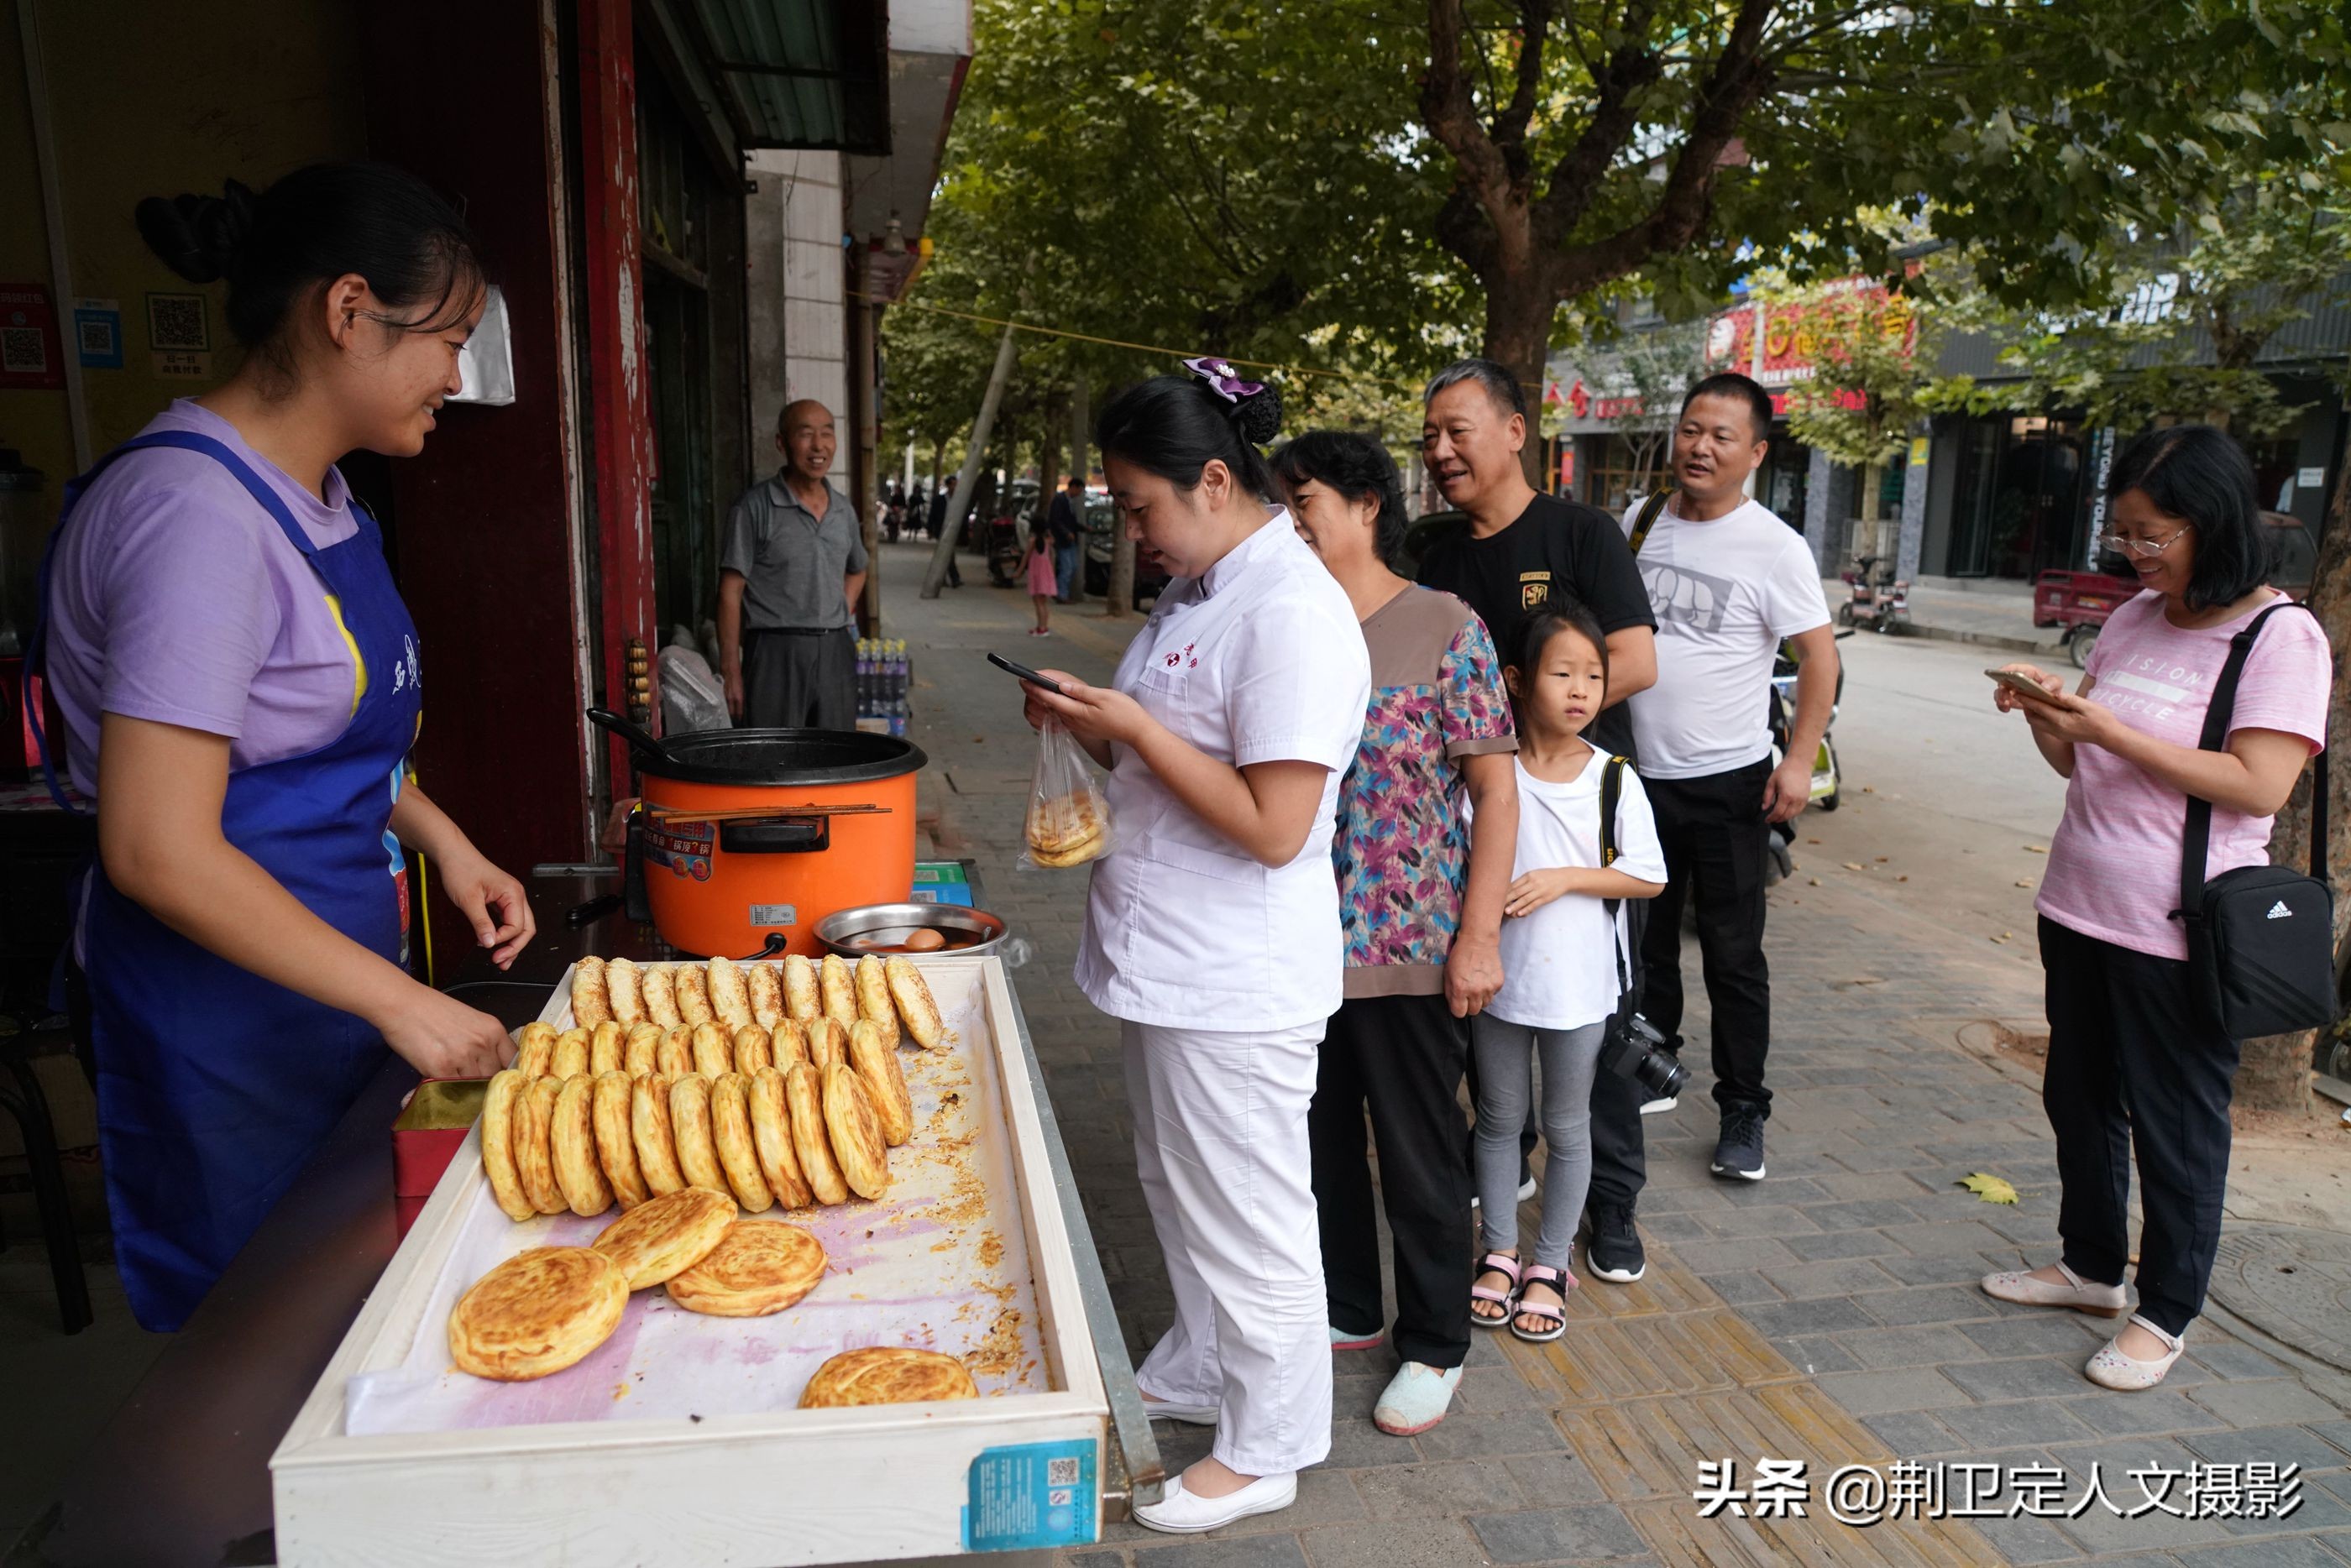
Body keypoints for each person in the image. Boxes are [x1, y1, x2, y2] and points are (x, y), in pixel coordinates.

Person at [34, 162, 532, 1333]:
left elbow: (307, 733)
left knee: (354, 1322)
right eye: (447, 340)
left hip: (328, 988)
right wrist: (400, 1005)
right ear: (349, 313)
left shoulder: (326, 502)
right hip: (222, 1020)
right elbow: (159, 846)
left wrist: (444, 842)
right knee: (254, 1348)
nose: (455, 380)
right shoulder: (196, 518)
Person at [1021, 362, 1369, 1533]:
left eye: (1139, 507)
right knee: (1177, 1184)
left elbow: (1277, 826)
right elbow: (1179, 746)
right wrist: (1094, 722)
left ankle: (1271, 1441)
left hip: (1236, 973)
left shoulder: (1292, 612)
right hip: (1166, 954)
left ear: (1214, 480)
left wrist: (1130, 730)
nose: (1133, 531)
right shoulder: (1202, 588)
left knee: (1249, 1210)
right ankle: (1206, 1359)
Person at [1982, 426, 2328, 1389]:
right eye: (2123, 532)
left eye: (2152, 534)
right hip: (2079, 902)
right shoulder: (2137, 615)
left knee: (2175, 1125)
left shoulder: (2278, 634)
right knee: (2079, 1097)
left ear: (2208, 523)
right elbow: (2083, 759)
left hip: (2179, 926)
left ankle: (2166, 1309)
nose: (2134, 553)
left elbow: (2258, 785)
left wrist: (2109, 728)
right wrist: (2054, 718)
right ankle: (2091, 1265)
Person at [1276, 430, 1517, 1438]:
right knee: (1315, 1140)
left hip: (1411, 940)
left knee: (1420, 1154)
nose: (1290, 521)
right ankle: (1348, 1303)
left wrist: (1478, 935)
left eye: (1306, 501)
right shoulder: (1284, 622)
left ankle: (1434, 1341)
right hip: (1293, 943)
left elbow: (1494, 789)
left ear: (1368, 504)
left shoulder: (1441, 625)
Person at [1414, 357, 1660, 1286]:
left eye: (1457, 430)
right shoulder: (1438, 557)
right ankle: (1507, 1198)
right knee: (1495, 1006)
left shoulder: (1581, 532)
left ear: (1516, 432)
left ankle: (1613, 1207)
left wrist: (1523, 720)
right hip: (1478, 824)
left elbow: (1633, 659)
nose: (1440, 450)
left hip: (1577, 822)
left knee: (1593, 1027)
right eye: (1430, 435)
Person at [1617, 371, 1836, 1184]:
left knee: (1733, 955)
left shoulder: (1774, 545)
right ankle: (1651, 1065)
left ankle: (1743, 1107)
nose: (1699, 447)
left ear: (1754, 452)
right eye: (1690, 429)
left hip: (1727, 777)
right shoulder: (1638, 523)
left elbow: (1820, 657)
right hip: (1638, 776)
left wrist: (1800, 757)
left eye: (1720, 436)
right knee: (1645, 936)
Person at [1471, 604, 1666, 1341]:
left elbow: (1647, 877)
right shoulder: (1491, 772)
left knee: (1566, 1123)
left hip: (1579, 987)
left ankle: (1549, 1264)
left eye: (1593, 675)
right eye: (1563, 673)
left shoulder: (1612, 778)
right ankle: (1498, 1250)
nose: (1581, 689)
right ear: (1519, 681)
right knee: (1497, 1119)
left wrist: (1565, 879)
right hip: (1499, 979)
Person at [717, 400, 868, 729]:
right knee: (776, 761)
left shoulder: (844, 510)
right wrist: (731, 669)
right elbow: (730, 591)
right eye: (806, 434)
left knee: (835, 758)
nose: (818, 446)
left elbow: (858, 568)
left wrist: (841, 607)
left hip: (835, 650)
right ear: (782, 443)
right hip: (774, 652)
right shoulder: (753, 508)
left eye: (827, 434)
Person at [1047, 471, 1086, 602]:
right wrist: (1066, 533)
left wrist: (1083, 528)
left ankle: (1062, 592)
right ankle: (1061, 594)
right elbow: (1055, 520)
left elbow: (1072, 522)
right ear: (1073, 487)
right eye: (1079, 490)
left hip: (1070, 540)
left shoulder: (1070, 502)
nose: (1079, 494)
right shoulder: (1060, 500)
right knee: (1067, 567)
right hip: (1063, 540)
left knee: (1072, 566)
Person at [929, 473, 962, 588]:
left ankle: (943, 577)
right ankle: (954, 578)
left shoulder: (959, 500)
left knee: (947, 555)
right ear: (948, 486)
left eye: (956, 485)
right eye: (953, 485)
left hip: (953, 530)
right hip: (941, 529)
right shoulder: (939, 500)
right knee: (948, 555)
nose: (955, 487)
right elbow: (932, 515)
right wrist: (930, 529)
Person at [1024, 519, 1056, 635]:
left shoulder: (1032, 541)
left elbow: (1025, 558)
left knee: (1038, 603)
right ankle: (1043, 627)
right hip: (1046, 576)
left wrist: (1019, 571)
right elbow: (1052, 557)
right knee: (1044, 603)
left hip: (1036, 576)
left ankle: (1041, 628)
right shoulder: (1048, 541)